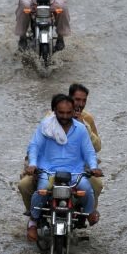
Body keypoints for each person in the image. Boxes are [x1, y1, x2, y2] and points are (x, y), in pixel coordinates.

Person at [24, 94, 101, 241]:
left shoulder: (81, 129)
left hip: (75, 172)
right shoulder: (45, 126)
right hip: (48, 171)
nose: (65, 116)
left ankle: (89, 213)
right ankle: (33, 222)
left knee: (87, 190)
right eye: (61, 113)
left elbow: (89, 151)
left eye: (68, 113)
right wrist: (33, 164)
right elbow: (34, 146)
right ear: (54, 111)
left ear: (73, 111)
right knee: (42, 191)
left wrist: (94, 167)